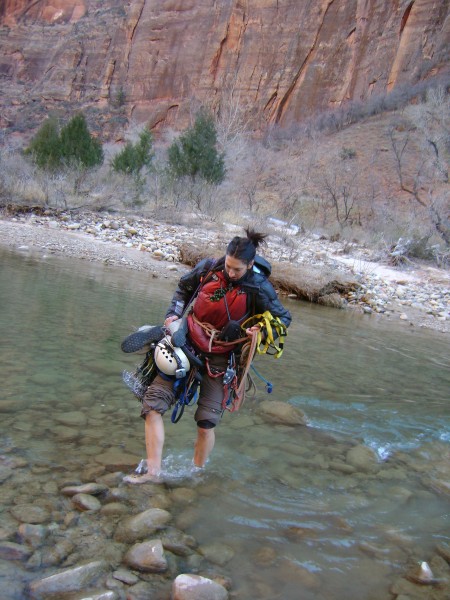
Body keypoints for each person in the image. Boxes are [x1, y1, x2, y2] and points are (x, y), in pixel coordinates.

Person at [123, 228, 291, 483]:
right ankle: (152, 473)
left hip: (222, 360)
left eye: (237, 269)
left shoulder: (259, 287)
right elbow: (182, 290)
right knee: (153, 405)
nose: (230, 272)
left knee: (206, 423)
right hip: (186, 343)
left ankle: (195, 474)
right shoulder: (208, 268)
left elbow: (283, 319)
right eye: (228, 266)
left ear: (250, 265)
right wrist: (173, 315)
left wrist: (258, 332)